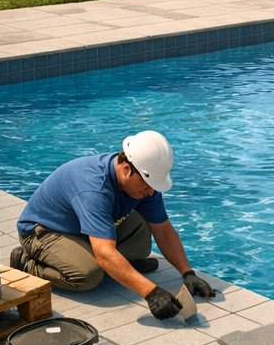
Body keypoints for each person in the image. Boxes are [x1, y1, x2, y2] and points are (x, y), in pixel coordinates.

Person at [11, 130, 216, 321]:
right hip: (45, 231)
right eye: (148, 185)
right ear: (127, 169)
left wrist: (187, 273)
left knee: (142, 241)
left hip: (82, 229)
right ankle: (26, 262)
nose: (152, 192)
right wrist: (151, 292)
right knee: (88, 275)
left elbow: (163, 229)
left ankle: (116, 266)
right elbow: (103, 252)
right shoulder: (94, 189)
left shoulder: (144, 181)